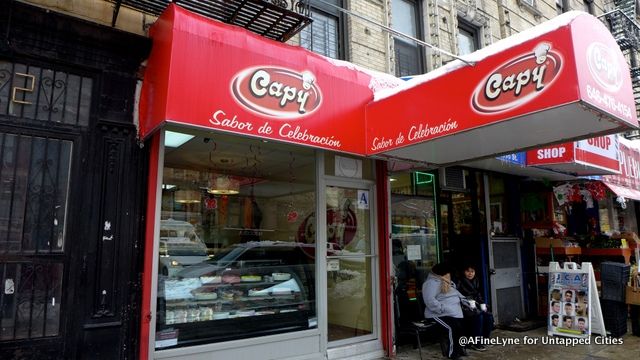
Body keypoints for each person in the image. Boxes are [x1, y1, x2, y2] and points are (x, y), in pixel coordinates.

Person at [423, 263, 467, 360]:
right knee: (453, 328)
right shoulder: (431, 283)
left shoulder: (447, 282)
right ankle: (453, 354)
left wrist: (466, 302)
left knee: (461, 325)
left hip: (450, 312)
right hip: (436, 314)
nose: (448, 275)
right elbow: (429, 300)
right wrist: (442, 309)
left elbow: (457, 294)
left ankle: (460, 349)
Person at [457, 264, 494, 351]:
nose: (470, 273)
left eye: (472, 271)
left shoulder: (476, 280)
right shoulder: (459, 281)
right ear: (464, 272)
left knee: (488, 315)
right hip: (463, 307)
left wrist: (483, 305)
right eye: (468, 271)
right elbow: (458, 297)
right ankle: (476, 343)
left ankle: (484, 339)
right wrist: (468, 304)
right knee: (478, 316)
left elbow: (478, 296)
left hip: (474, 306)